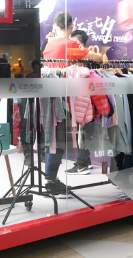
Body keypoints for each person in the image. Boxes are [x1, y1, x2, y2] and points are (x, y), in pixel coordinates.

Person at [41, 13, 103, 196]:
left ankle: (51, 178)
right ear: (71, 26)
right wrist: (87, 51)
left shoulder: (49, 44)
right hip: (66, 98)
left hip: (49, 96)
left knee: (54, 138)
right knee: (60, 140)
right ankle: (51, 181)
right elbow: (98, 58)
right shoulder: (71, 45)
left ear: (54, 26)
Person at [66, 29, 95, 175]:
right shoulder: (86, 58)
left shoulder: (82, 58)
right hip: (88, 100)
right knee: (83, 131)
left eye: (72, 41)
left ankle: (82, 163)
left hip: (84, 100)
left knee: (82, 131)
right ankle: (85, 161)